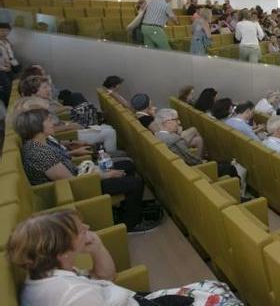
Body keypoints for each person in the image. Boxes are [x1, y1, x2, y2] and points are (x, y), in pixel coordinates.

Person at [7, 209, 240, 306]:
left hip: (135, 299)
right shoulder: (75, 295)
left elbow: (108, 277)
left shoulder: (47, 273)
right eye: (81, 230)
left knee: (215, 287)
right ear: (63, 250)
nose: (88, 227)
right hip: (137, 302)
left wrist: (96, 246)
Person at [15, 108, 156, 233]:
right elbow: (72, 180)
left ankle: (127, 209)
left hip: (82, 176)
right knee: (135, 183)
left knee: (127, 165)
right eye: (48, 120)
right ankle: (131, 224)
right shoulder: (38, 152)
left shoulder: (39, 143)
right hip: (82, 187)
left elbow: (61, 160)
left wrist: (75, 154)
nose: (53, 122)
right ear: (36, 126)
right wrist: (106, 175)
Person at [0, 22, 19, 106]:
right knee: (7, 87)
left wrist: (14, 64)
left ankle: (13, 104)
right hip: (1, 70)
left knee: (14, 86)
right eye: (2, 31)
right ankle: (8, 106)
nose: (4, 33)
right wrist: (4, 68)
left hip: (9, 68)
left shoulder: (7, 42)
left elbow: (10, 56)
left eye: (6, 31)